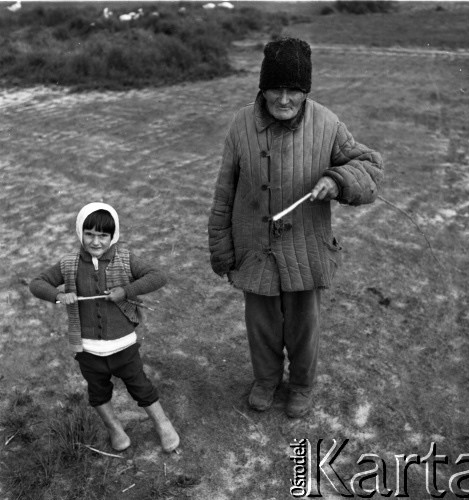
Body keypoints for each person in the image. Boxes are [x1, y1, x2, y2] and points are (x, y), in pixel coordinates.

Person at [208, 37, 384, 418]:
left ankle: (301, 385)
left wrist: (338, 180)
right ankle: (266, 380)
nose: (283, 99)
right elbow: (225, 190)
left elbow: (370, 166)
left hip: (306, 247)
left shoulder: (327, 123)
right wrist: (221, 248)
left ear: (305, 92)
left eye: (294, 90)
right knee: (262, 326)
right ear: (263, 87)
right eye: (276, 88)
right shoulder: (241, 124)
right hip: (254, 248)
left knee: (304, 328)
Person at [29, 202, 179, 452]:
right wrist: (57, 295)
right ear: (80, 233)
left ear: (113, 235)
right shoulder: (69, 263)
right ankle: (114, 428)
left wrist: (126, 291)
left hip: (124, 346)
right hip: (87, 349)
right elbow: (37, 283)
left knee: (140, 386)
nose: (96, 242)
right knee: (98, 392)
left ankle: (163, 424)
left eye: (103, 236)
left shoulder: (124, 259)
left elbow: (158, 276)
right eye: (89, 234)